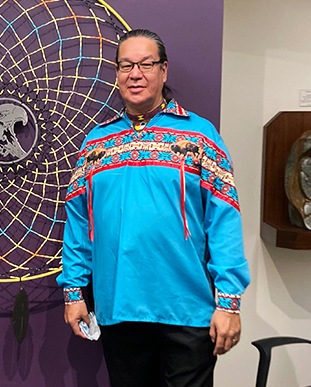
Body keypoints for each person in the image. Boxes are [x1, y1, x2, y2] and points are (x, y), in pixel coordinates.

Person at [57, 29, 250, 386]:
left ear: (164, 71)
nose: (135, 73)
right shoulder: (95, 145)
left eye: (146, 64)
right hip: (119, 309)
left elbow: (224, 221)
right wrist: (73, 292)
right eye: (126, 65)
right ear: (116, 74)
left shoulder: (201, 137)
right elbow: (78, 224)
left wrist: (229, 302)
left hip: (189, 311)